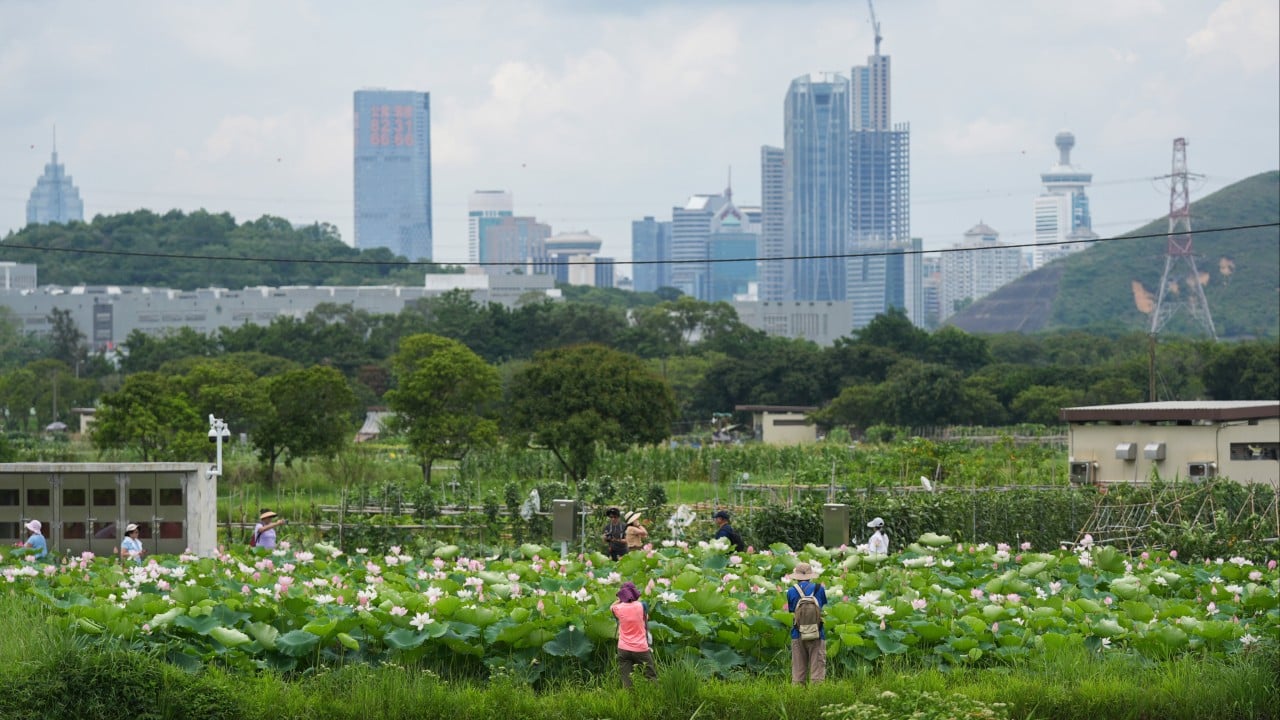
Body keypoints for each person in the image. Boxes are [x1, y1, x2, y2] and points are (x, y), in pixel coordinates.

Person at [786, 562, 827, 685]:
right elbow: (821, 607)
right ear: (810, 575)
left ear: (796, 576)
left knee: (798, 674)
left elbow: (792, 610)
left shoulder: (791, 591)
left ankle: (798, 695)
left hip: (797, 633)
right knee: (817, 674)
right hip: (817, 633)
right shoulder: (819, 589)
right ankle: (817, 695)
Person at [610, 581, 657, 688]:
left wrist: (620, 599)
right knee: (650, 676)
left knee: (626, 678)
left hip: (623, 648)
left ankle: (628, 695)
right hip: (641, 648)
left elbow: (611, 607)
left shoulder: (617, 608)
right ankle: (654, 694)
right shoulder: (642, 606)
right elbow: (646, 618)